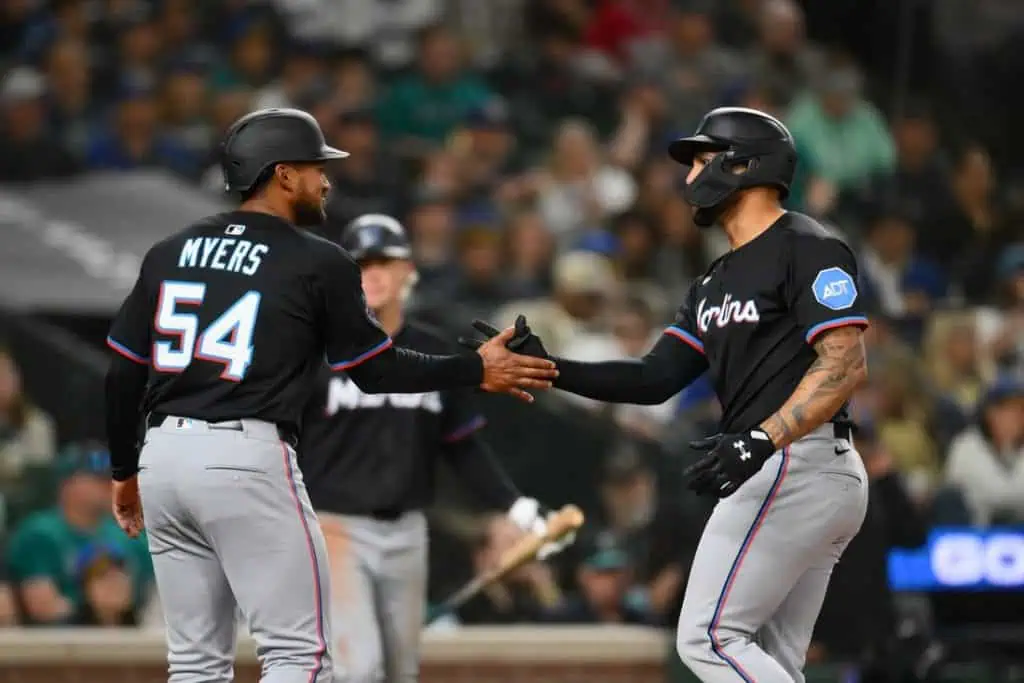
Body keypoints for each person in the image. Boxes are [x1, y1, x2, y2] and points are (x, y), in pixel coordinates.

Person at [103, 108, 557, 683]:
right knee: (298, 655)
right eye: (317, 168)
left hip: (163, 458)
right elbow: (375, 369)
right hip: (247, 454)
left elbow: (121, 373)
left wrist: (125, 472)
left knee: (194, 662)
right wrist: (475, 369)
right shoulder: (316, 260)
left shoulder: (169, 251)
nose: (327, 181)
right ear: (283, 174)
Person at [464, 107, 871, 683]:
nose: (690, 177)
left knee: (707, 639)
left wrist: (761, 438)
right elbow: (656, 377)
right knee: (767, 660)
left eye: (705, 160)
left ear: (745, 166)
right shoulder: (713, 281)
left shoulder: (807, 244)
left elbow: (845, 363)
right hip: (795, 467)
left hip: (794, 462)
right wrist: (550, 367)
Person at [298, 214, 572, 683]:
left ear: (410, 272)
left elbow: (461, 445)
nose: (375, 274)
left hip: (407, 530)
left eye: (387, 262)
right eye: (362, 264)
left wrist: (517, 506)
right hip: (334, 528)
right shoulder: (314, 351)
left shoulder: (433, 351)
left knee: (401, 674)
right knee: (358, 669)